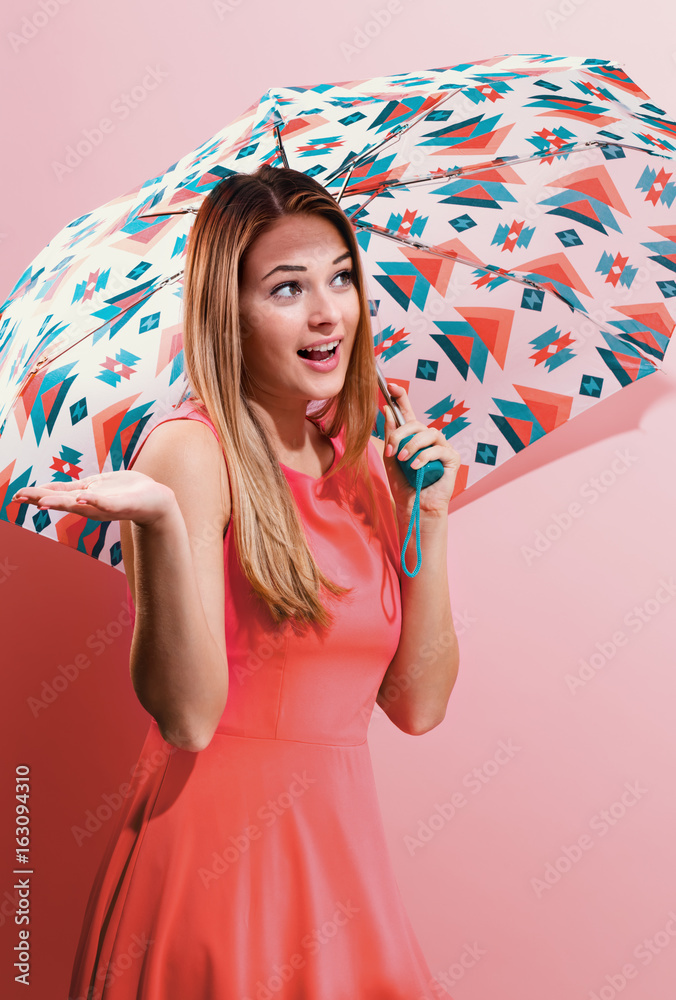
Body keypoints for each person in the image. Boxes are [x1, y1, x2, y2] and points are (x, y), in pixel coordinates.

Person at [13, 164, 461, 999]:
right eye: (287, 288)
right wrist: (162, 524)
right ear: (232, 311)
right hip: (218, 872)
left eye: (340, 278)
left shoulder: (367, 461)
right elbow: (188, 718)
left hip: (343, 869)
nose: (328, 312)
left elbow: (418, 706)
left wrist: (428, 523)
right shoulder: (191, 452)